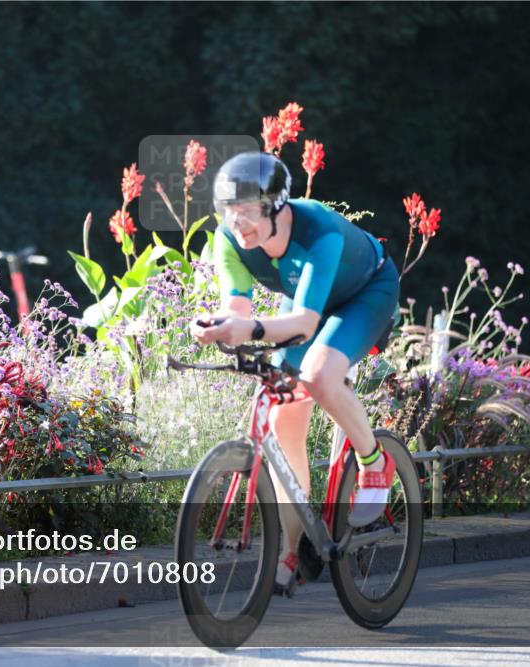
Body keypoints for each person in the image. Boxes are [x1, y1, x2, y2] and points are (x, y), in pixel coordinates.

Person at [190, 151, 401, 597]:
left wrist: (249, 328)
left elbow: (305, 323)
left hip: (364, 295)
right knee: (283, 418)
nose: (238, 225)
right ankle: (293, 548)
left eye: (248, 214)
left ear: (277, 208)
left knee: (319, 375)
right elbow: (238, 309)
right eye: (229, 214)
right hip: (307, 299)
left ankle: (374, 463)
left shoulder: (316, 230)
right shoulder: (231, 239)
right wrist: (217, 326)